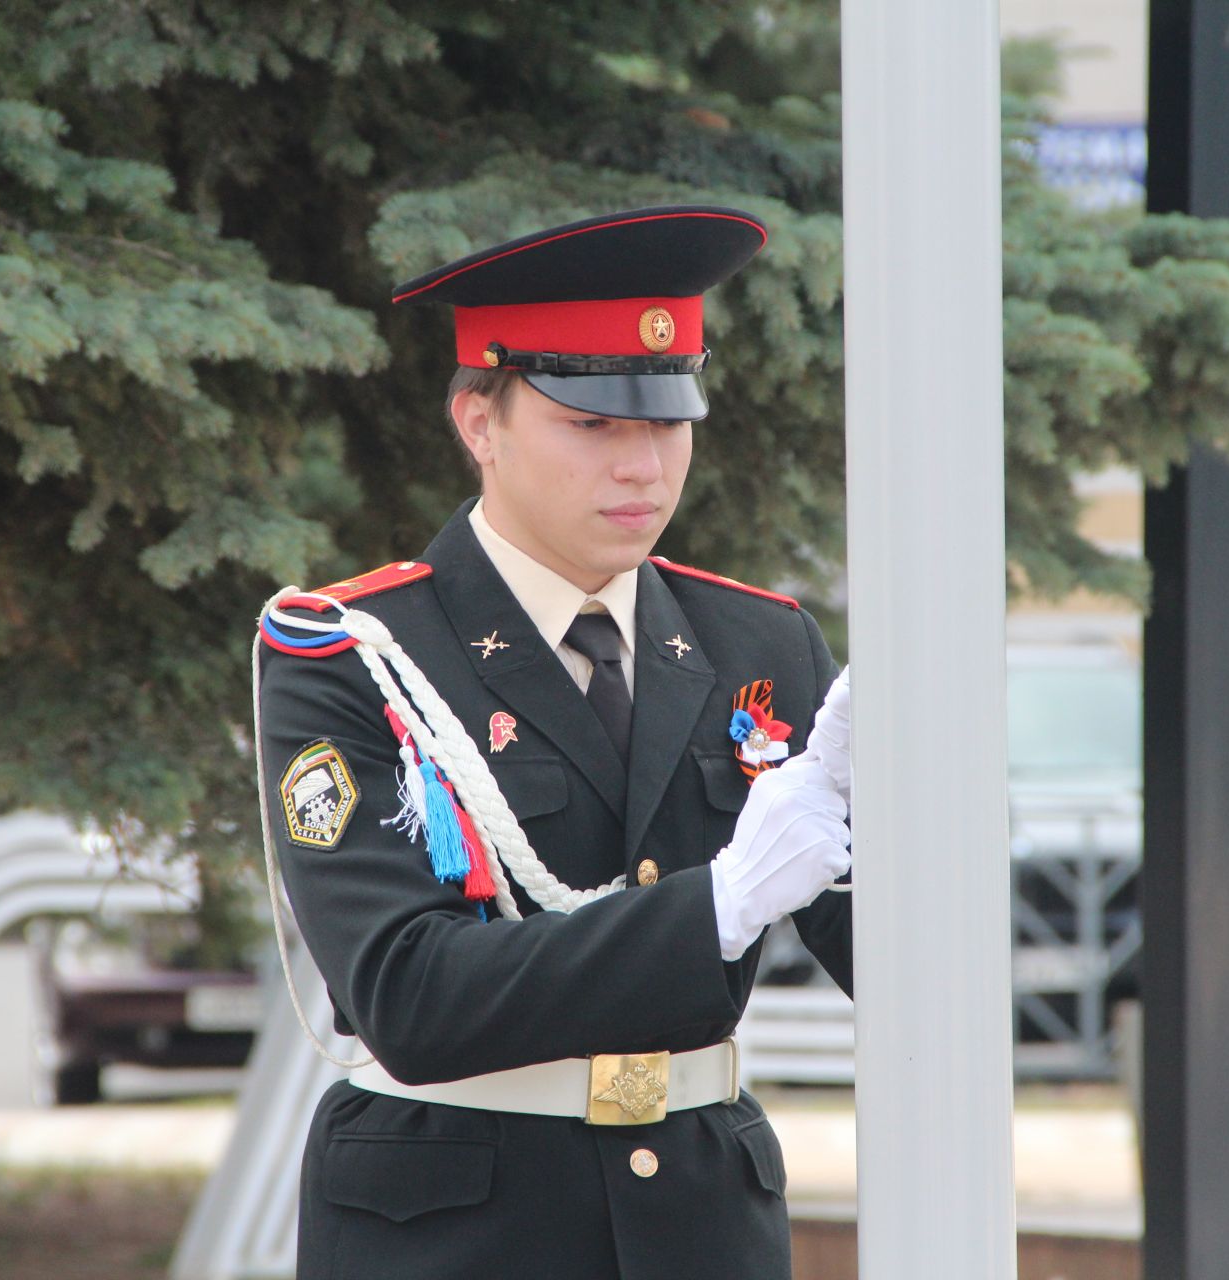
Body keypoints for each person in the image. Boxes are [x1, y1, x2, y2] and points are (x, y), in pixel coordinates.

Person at [254, 205, 854, 1279]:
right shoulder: (356, 652)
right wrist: (716, 906)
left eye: (667, 423)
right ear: (478, 422)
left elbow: (897, 961)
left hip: (700, 1222)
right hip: (454, 1225)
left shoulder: (760, 642)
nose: (643, 468)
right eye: (593, 424)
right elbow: (408, 991)